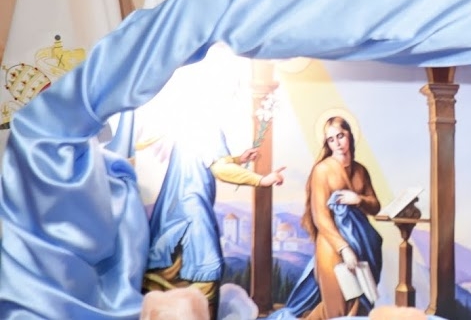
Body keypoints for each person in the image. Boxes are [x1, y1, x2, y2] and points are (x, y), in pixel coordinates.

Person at [143, 134, 286, 319]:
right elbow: (220, 168)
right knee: (206, 273)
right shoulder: (208, 127)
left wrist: (237, 159)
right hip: (193, 215)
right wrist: (262, 180)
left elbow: (208, 160)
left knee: (169, 276)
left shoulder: (188, 125)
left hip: (171, 214)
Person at [271, 116, 383, 319]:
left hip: (362, 243)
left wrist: (358, 199)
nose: (337, 143)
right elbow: (320, 217)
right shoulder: (322, 171)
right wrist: (344, 248)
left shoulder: (360, 170)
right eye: (331, 139)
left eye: (340, 136)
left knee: (358, 307)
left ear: (350, 135)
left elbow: (375, 206)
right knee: (336, 308)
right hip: (332, 245)